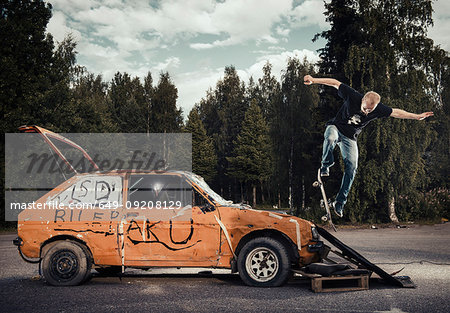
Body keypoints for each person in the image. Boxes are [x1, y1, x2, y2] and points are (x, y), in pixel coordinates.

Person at [303, 75, 434, 217]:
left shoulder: (379, 109)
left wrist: (416, 116)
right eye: (365, 108)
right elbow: (335, 83)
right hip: (336, 127)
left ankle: (339, 203)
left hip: (350, 138)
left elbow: (396, 112)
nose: (366, 112)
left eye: (370, 111)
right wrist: (314, 80)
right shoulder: (353, 95)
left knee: (352, 168)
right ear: (363, 100)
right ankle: (326, 165)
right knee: (330, 138)